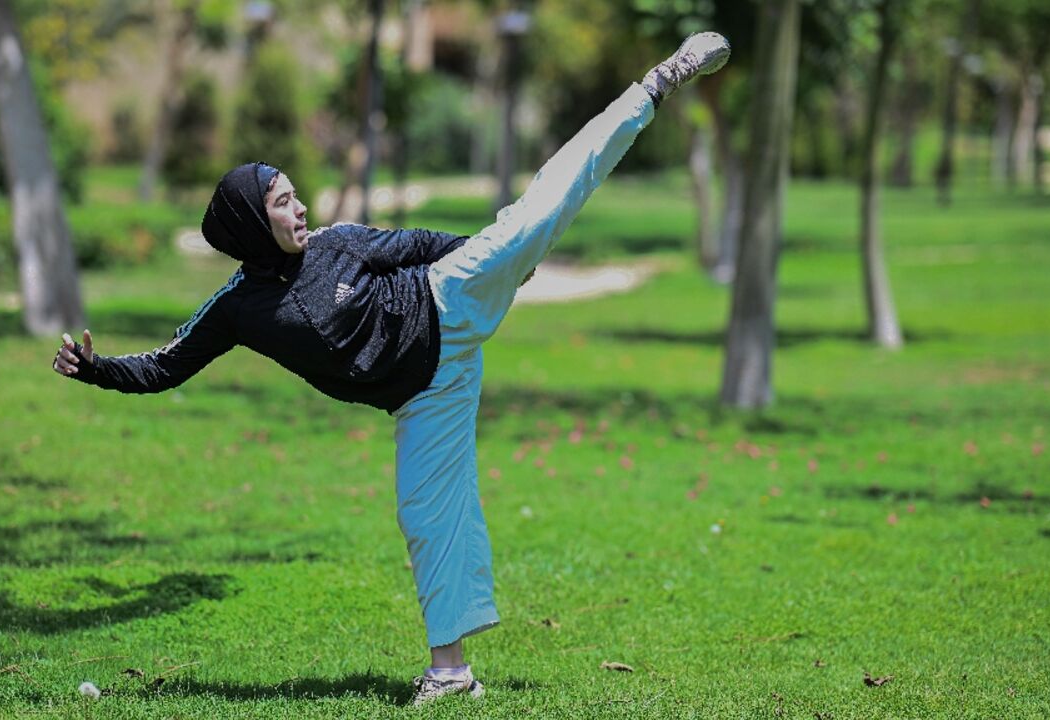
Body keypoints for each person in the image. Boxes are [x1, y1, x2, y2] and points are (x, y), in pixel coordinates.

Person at [52, 32, 730, 706]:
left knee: (535, 215)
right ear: (249, 224)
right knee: (427, 515)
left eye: (295, 195)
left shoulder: (338, 243)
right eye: (283, 202)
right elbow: (167, 364)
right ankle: (451, 672)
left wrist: (500, 265)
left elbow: (422, 245)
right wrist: (94, 369)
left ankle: (655, 85)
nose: (301, 208)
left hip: (447, 299)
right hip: (425, 393)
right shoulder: (237, 309)